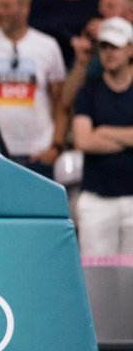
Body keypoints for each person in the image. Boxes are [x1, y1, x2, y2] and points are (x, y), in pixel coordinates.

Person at [0, 0, 68, 180]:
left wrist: (56, 146)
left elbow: (61, 102)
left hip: (38, 156)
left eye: (6, 6)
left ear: (24, 7)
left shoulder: (47, 46)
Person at [72, 16, 133, 255]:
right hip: (98, 199)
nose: (109, 53)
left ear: (130, 49)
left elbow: (93, 137)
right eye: (104, 47)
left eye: (115, 47)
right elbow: (83, 140)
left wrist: (105, 131)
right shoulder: (89, 92)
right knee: (95, 279)